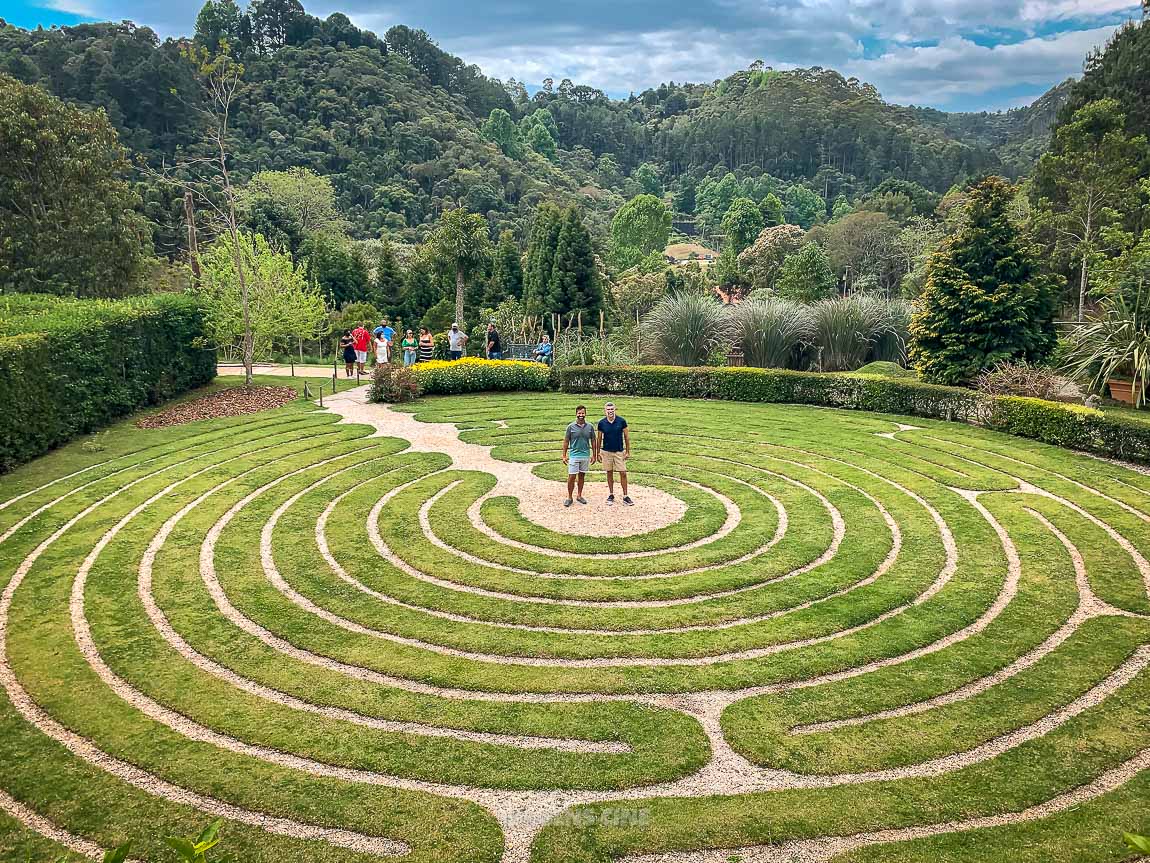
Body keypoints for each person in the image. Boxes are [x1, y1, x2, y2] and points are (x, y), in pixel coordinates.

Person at [595, 401, 632, 505]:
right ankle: (611, 494)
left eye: (612, 409)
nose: (610, 411)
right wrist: (598, 452)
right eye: (608, 410)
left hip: (619, 451)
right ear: (605, 411)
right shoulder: (602, 423)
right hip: (606, 451)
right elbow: (599, 439)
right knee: (609, 472)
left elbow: (626, 437)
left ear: (615, 410)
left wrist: (627, 451)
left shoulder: (621, 421)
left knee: (623, 473)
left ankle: (625, 496)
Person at [562, 405, 596, 508]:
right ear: (576, 414)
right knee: (572, 476)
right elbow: (566, 441)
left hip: (585, 455)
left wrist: (594, 455)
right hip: (574, 455)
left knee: (582, 476)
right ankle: (569, 497)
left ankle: (579, 495)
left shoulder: (590, 427)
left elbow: (593, 441)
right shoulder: (570, 427)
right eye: (579, 413)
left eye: (583, 413)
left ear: (585, 414)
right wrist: (564, 455)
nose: (581, 415)